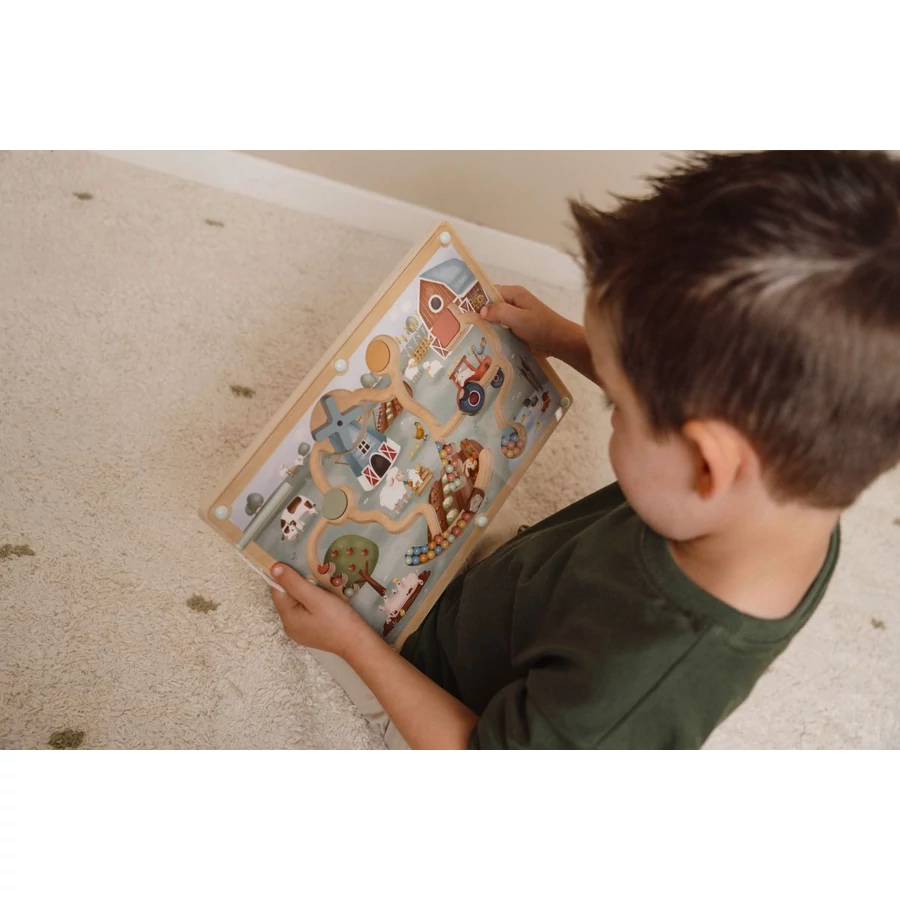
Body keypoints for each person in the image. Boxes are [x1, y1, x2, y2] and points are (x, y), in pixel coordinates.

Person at [269, 151, 900, 749]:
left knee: (324, 613)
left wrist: (352, 644)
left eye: (617, 405)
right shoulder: (790, 488)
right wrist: (564, 337)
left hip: (447, 694)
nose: (612, 408)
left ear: (707, 465)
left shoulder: (627, 685)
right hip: (525, 598)